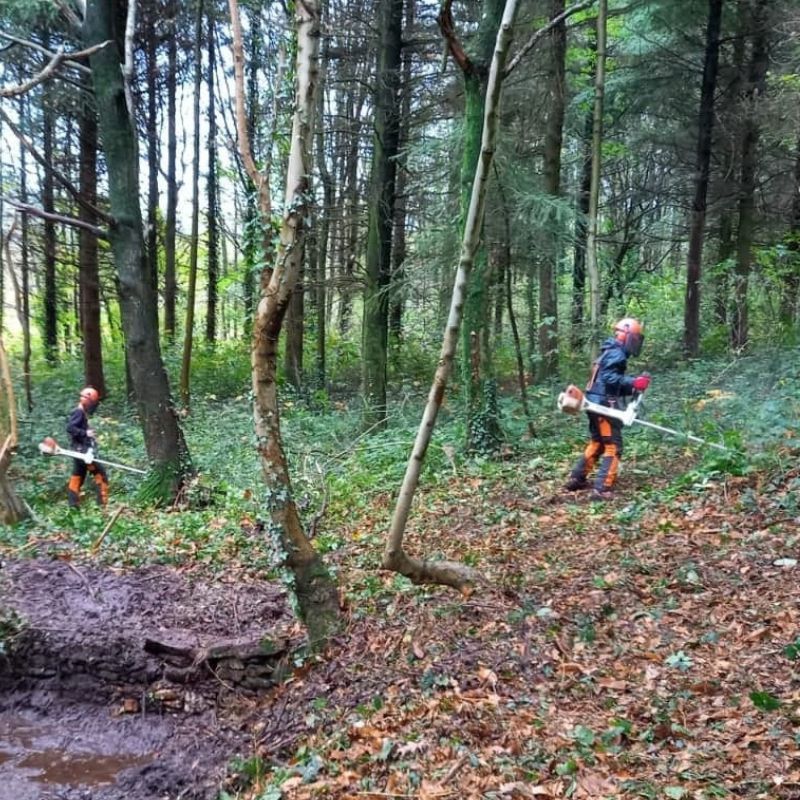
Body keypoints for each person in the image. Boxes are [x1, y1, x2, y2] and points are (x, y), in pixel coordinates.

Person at [564, 318, 650, 500]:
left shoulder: (609, 352)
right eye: (634, 338)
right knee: (613, 446)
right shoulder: (616, 354)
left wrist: (634, 386)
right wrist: (633, 381)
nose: (635, 343)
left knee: (598, 442)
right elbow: (610, 379)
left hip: (595, 402)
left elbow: (609, 382)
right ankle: (602, 488)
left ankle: (576, 478)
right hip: (604, 405)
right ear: (625, 335)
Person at [66, 386, 109, 508]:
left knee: (77, 477)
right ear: (87, 400)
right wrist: (85, 433)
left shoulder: (81, 412)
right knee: (101, 475)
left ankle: (73, 507)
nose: (92, 405)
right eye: (92, 403)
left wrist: (88, 433)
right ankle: (102, 507)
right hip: (83, 453)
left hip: (79, 451)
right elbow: (70, 428)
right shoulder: (78, 412)